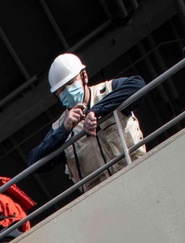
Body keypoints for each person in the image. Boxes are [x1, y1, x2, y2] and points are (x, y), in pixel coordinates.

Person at [27, 53, 145, 189]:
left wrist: (96, 111)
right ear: (56, 95)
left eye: (71, 82)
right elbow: (34, 163)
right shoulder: (60, 127)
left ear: (84, 76)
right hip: (100, 195)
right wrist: (63, 131)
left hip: (136, 173)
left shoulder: (107, 91)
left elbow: (137, 84)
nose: (69, 91)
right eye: (62, 89)